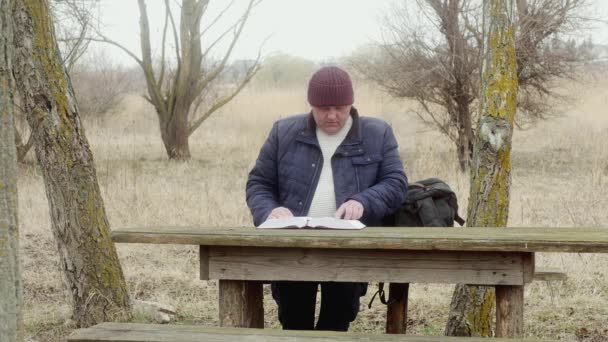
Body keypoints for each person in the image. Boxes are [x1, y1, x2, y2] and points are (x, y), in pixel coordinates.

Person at [245, 65, 408, 331]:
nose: (332, 116)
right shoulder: (283, 132)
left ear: (351, 104)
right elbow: (259, 183)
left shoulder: (378, 133)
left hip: (349, 248)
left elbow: (396, 183)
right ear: (311, 104)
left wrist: (363, 201)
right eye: (323, 109)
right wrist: (269, 211)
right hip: (293, 247)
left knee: (337, 320)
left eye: (340, 108)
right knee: (294, 321)